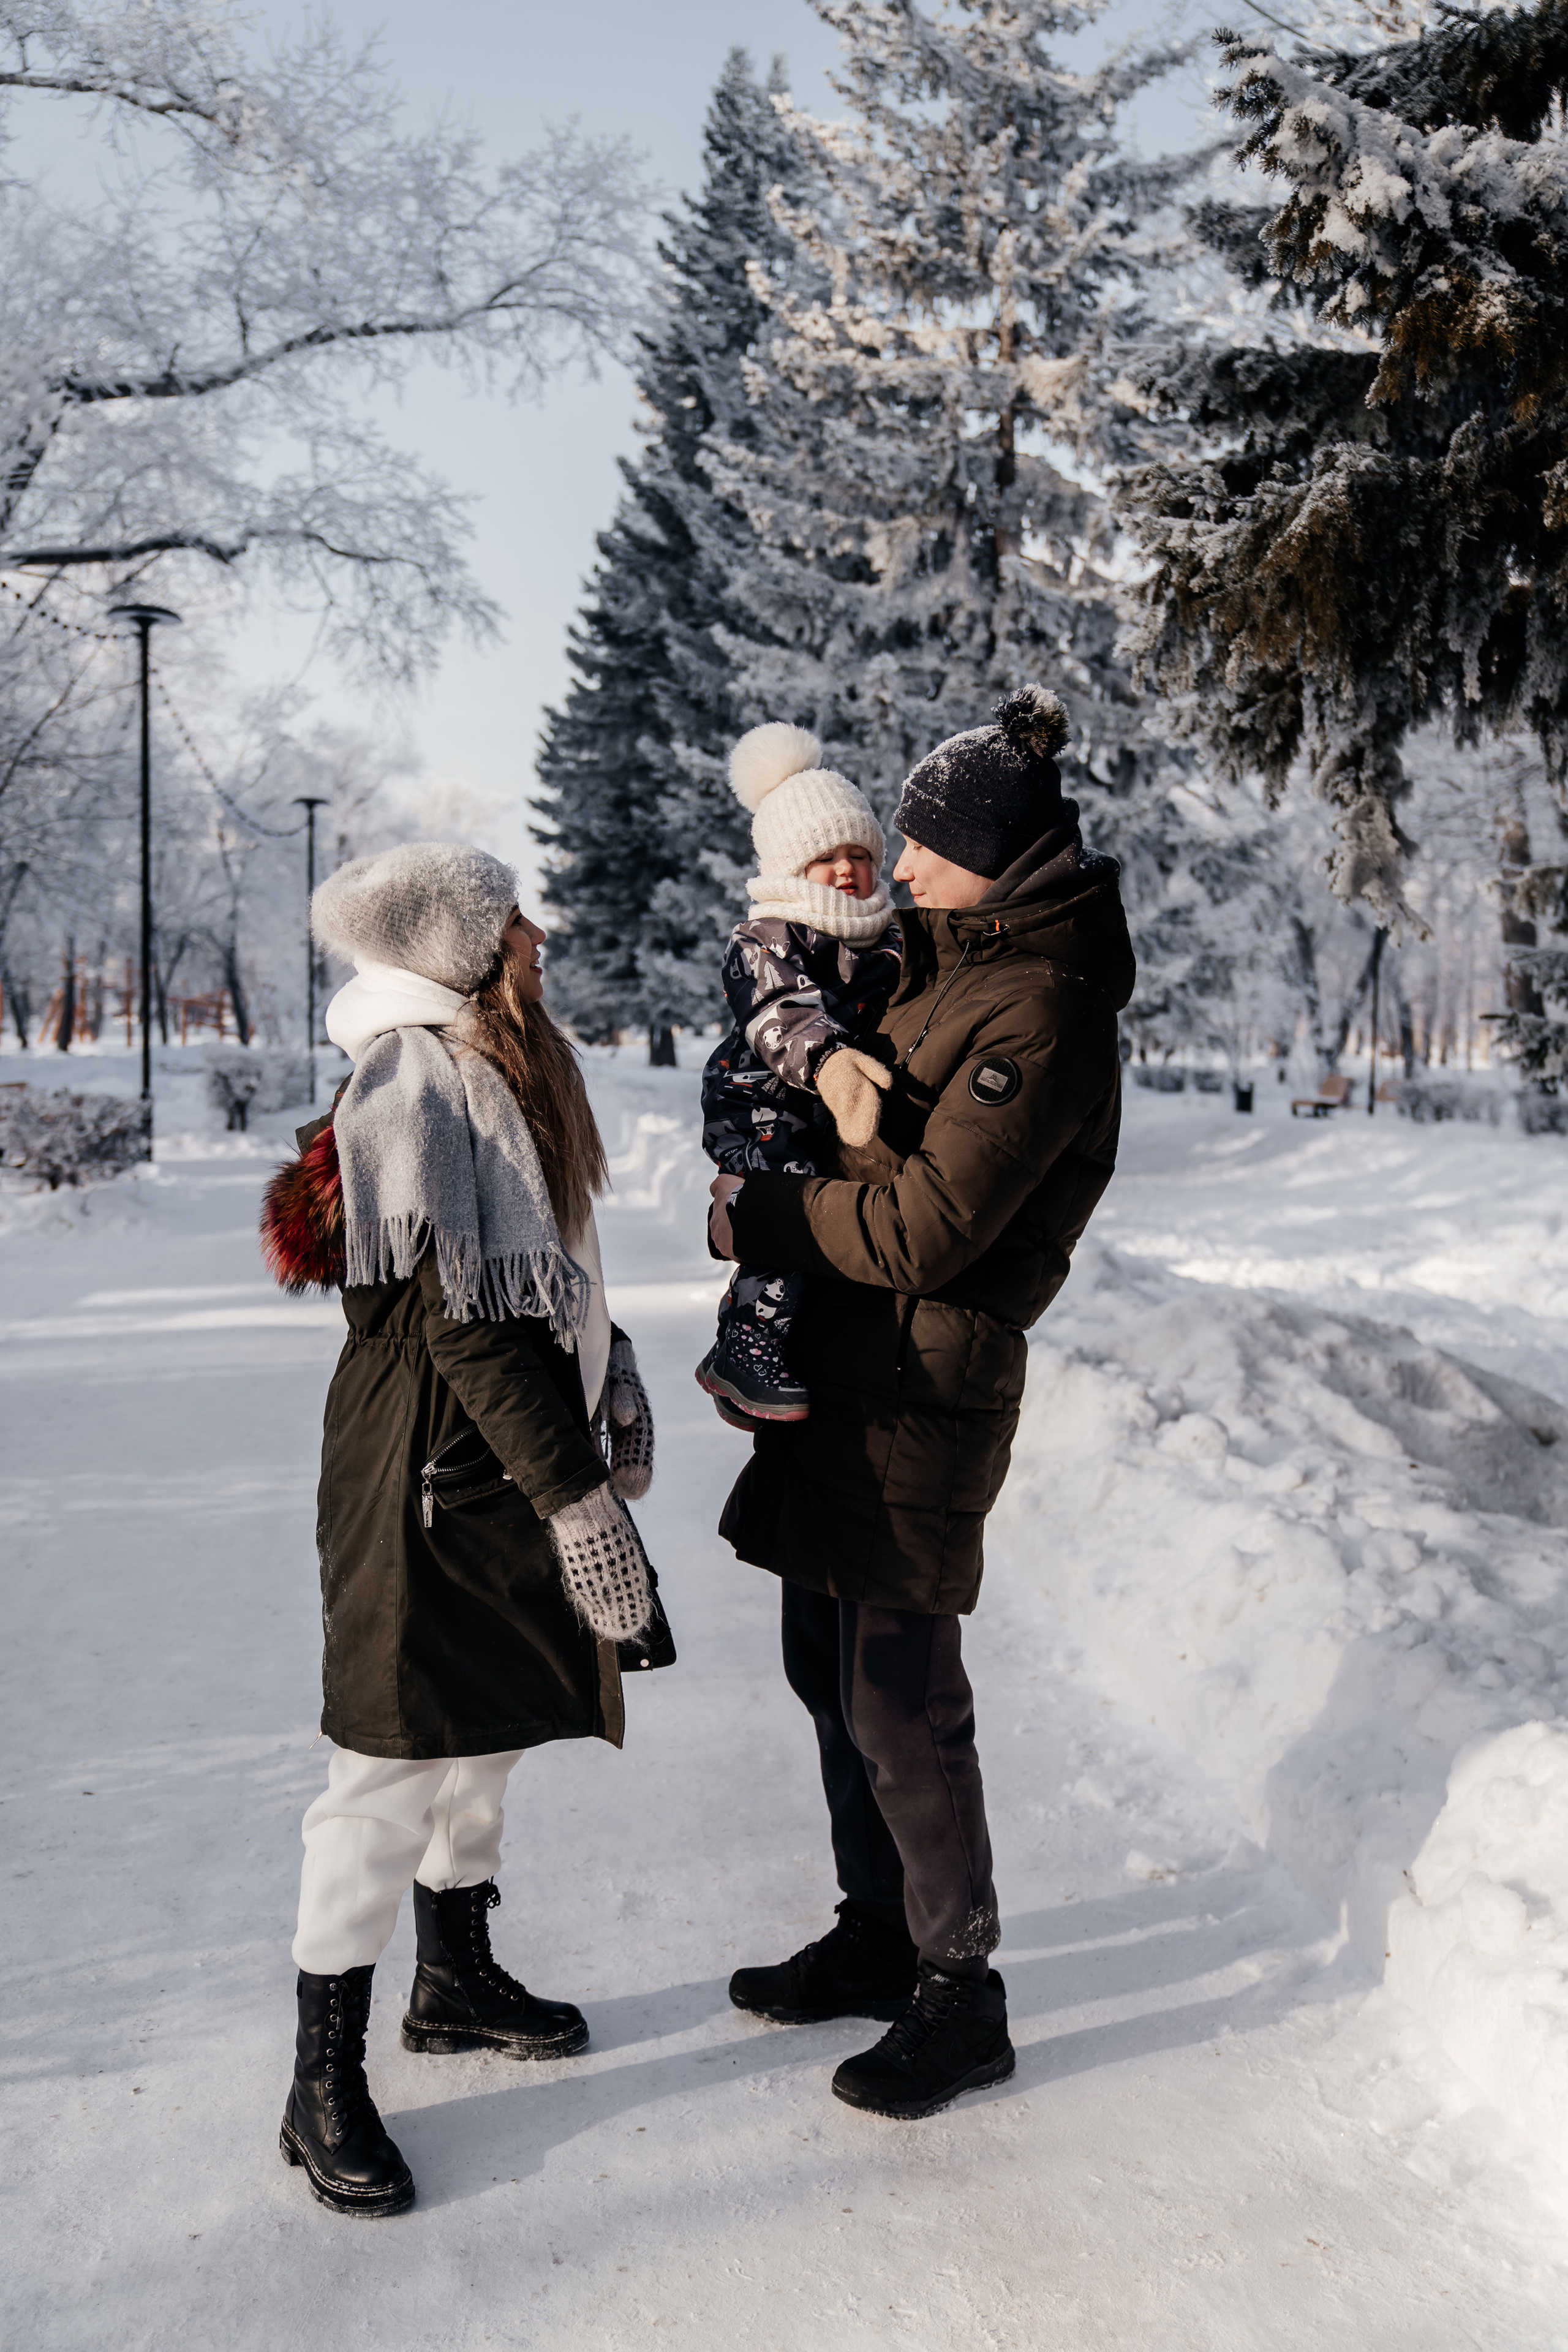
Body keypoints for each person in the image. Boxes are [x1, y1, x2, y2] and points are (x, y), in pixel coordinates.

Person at [709, 686, 1136, 2120]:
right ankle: (876, 1927)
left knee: (900, 1702)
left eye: (920, 848)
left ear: (994, 860)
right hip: (847, 1367)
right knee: (818, 1667)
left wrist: (759, 1215)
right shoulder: (936, 962)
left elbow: (924, 1229)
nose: (894, 868)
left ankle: (961, 1991)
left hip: (923, 1383)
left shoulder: (1042, 1006)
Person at [259, 842, 659, 2218]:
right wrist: (578, 1499)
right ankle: (320, 2083)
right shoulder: (415, 1085)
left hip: (488, 1456)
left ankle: (455, 1978)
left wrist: (610, 1366)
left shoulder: (494, 1069)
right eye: (513, 920)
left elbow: (542, 1276)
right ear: (461, 951)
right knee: (385, 1771)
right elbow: (470, 1330)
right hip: (427, 1466)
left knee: (480, 1741)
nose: (538, 934)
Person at [697, 723, 902, 1423]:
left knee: (831, 1215)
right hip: (760, 1097)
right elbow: (778, 1013)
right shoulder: (765, 937)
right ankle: (745, 1341)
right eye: (824, 858)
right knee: (785, 1212)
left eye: (859, 854)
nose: (846, 871)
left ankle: (788, 1348)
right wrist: (831, 1063)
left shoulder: (889, 935)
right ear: (790, 870)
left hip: (829, 1102)